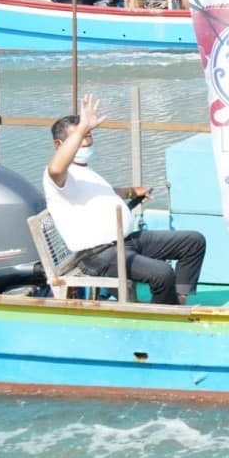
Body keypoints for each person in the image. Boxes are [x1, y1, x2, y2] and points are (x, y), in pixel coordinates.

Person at [45, 94, 205, 305]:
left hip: (127, 241)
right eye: (81, 136)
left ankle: (178, 300)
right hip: (98, 254)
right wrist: (83, 126)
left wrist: (131, 191)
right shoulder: (56, 176)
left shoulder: (85, 171)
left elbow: (102, 191)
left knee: (193, 242)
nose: (86, 141)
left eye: (89, 135)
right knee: (163, 273)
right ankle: (163, 316)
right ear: (59, 145)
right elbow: (56, 168)